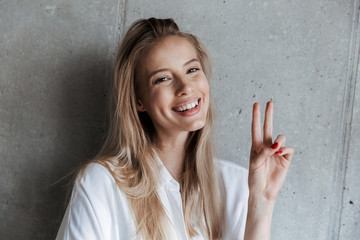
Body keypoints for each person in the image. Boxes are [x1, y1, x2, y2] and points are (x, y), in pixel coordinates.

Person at [56, 17, 294, 240]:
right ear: (139, 100)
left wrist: (261, 202)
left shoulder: (237, 184)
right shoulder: (102, 183)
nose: (185, 88)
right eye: (162, 79)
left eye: (192, 70)